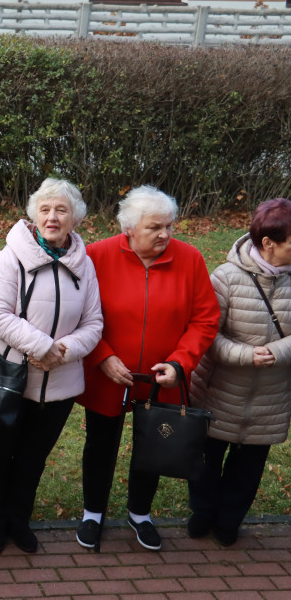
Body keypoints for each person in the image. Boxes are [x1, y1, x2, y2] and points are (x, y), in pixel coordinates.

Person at [76, 185, 219, 551]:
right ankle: (93, 512)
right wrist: (102, 357)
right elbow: (80, 314)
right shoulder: (96, 256)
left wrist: (179, 363)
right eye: (155, 227)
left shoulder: (189, 259)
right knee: (100, 443)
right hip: (108, 374)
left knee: (152, 443)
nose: (165, 234)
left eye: (169, 226)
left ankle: (140, 513)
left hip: (162, 377)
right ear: (129, 228)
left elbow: (205, 319)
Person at [0, 178, 103, 554]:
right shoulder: (10, 257)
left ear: (75, 219)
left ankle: (20, 520)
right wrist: (42, 346)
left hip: (60, 381)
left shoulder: (85, 265)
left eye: (61, 210)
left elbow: (94, 322)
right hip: (9, 378)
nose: (52, 217)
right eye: (45, 210)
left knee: (34, 458)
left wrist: (61, 351)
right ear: (34, 215)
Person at [188, 198, 291, 547]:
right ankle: (202, 513)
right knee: (206, 460)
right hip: (219, 390)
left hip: (271, 396)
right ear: (269, 243)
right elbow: (206, 335)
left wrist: (276, 352)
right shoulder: (226, 277)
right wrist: (246, 355)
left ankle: (229, 520)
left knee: (248, 466)